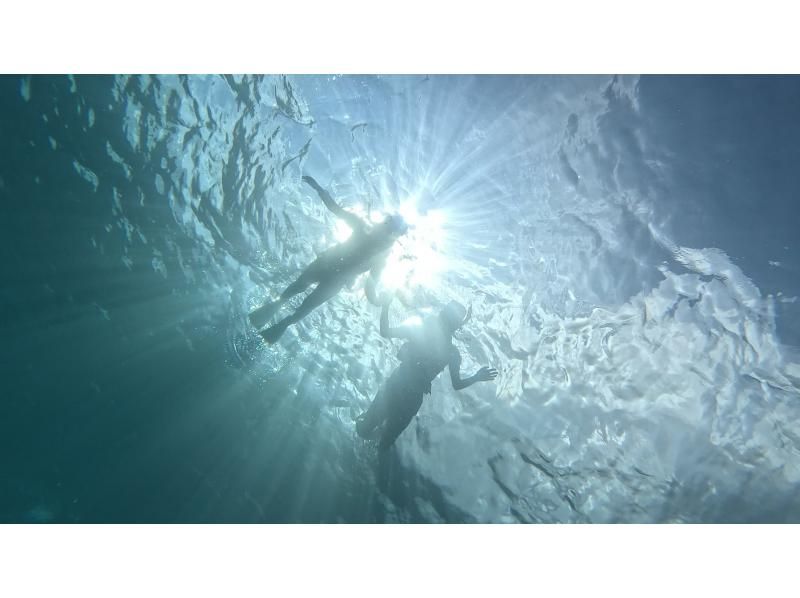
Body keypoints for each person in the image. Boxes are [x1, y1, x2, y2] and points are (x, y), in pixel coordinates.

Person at [250, 174, 408, 344]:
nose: (383, 225)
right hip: (328, 270)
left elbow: (370, 286)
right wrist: (318, 188)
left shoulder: (379, 254)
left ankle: (276, 325)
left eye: (388, 225)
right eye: (386, 221)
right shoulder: (366, 233)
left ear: (392, 235)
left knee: (301, 306)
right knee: (296, 294)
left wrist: (377, 301)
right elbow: (336, 209)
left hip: (330, 273)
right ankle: (272, 318)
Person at [356, 296, 498, 450]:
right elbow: (457, 384)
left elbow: (385, 331)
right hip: (410, 400)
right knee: (383, 444)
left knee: (364, 430)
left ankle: (373, 432)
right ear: (455, 326)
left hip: (395, 388)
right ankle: (378, 437)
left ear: (442, 315)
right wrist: (476, 377)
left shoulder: (421, 330)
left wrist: (386, 305)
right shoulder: (451, 352)